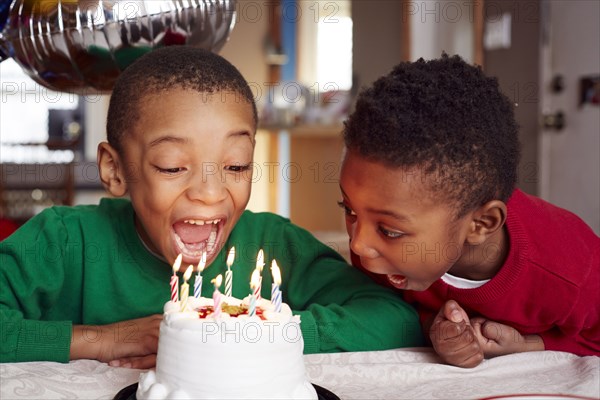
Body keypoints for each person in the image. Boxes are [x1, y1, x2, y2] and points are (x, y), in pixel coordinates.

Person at [0, 46, 422, 367]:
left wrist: (248, 333)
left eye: (236, 165)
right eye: (172, 167)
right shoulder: (64, 240)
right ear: (115, 170)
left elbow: (394, 318)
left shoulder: (274, 245)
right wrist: (106, 340)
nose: (210, 192)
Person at [338, 54, 600, 368]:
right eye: (349, 210)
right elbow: (387, 308)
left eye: (389, 230)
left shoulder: (569, 273)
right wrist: (433, 328)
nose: (358, 244)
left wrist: (532, 344)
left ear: (481, 224)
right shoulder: (378, 252)